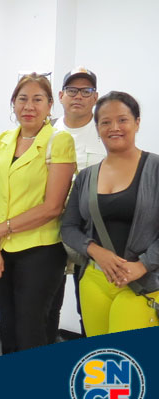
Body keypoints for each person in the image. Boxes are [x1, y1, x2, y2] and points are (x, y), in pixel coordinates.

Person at [0, 73, 76, 355]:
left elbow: (52, 207)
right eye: (22, 99)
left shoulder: (59, 141)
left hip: (41, 252)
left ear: (49, 105)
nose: (29, 106)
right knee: (7, 331)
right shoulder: (1, 141)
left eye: (37, 99)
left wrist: (1, 229)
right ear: (13, 103)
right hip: (2, 250)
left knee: (31, 332)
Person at [61, 91, 159, 336]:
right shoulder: (86, 177)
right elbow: (69, 227)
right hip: (95, 279)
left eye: (122, 120)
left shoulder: (155, 169)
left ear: (137, 122)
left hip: (142, 282)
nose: (114, 127)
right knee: (100, 355)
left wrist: (143, 265)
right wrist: (96, 251)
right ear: (97, 128)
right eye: (105, 122)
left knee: (129, 357)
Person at [51, 67, 105, 340]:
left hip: (90, 233)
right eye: (72, 90)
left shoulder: (105, 131)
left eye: (86, 91)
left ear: (95, 97)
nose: (78, 96)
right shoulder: (46, 131)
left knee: (90, 307)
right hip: (49, 229)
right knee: (48, 305)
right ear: (61, 96)